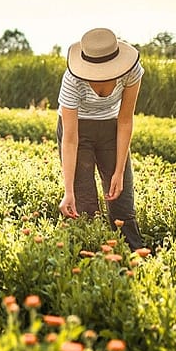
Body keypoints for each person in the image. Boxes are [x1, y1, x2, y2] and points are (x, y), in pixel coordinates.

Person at [56, 27, 144, 250]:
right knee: (84, 207)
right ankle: (89, 261)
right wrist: (68, 191)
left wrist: (119, 170)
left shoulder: (131, 71)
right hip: (78, 131)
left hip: (111, 127)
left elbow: (125, 120)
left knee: (122, 203)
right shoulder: (72, 80)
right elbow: (70, 139)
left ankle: (132, 256)